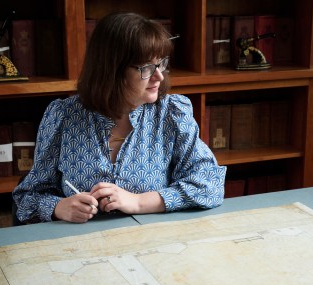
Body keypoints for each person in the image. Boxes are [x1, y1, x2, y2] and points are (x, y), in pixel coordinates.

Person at [12, 12, 226, 224]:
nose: (159, 75)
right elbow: (26, 198)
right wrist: (59, 207)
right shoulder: (64, 116)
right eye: (146, 68)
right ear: (111, 70)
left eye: (161, 63)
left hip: (151, 242)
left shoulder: (171, 113)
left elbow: (210, 184)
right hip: (79, 245)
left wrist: (139, 202)